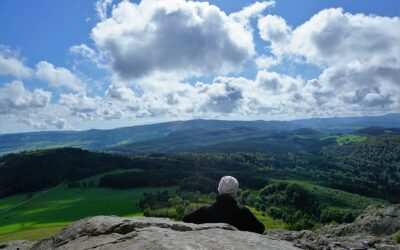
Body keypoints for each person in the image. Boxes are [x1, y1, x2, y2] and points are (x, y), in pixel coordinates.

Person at [182, 176, 265, 234]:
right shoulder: (244, 213)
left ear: (219, 190)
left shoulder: (204, 211)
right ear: (235, 192)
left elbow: (185, 221)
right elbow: (260, 229)